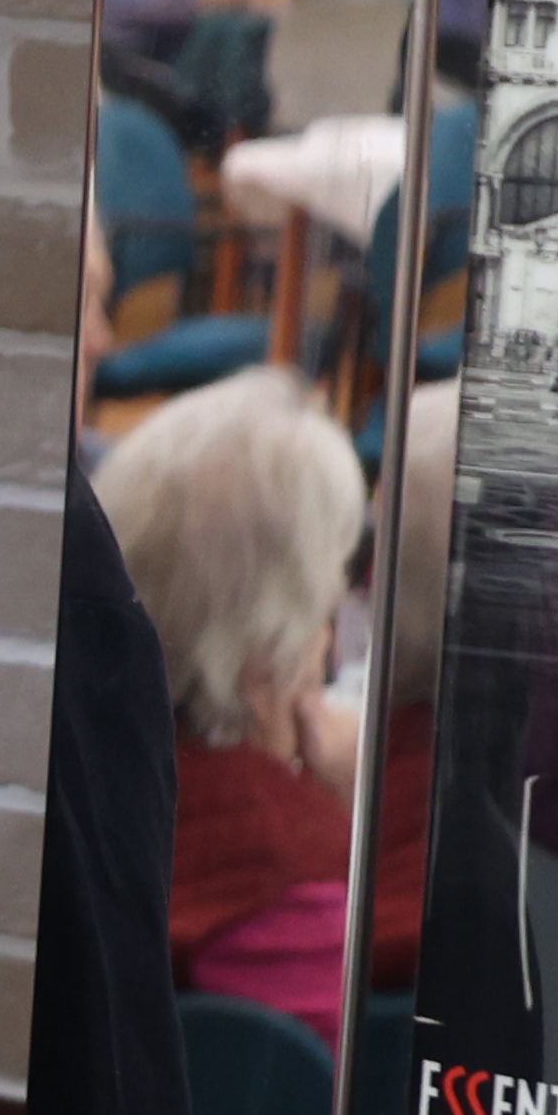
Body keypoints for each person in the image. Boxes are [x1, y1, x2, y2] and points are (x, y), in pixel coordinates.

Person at [89, 369, 374, 1030]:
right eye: (322, 613)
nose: (325, 644)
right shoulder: (303, 880)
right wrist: (351, 832)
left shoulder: (76, 778)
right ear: (265, 648)